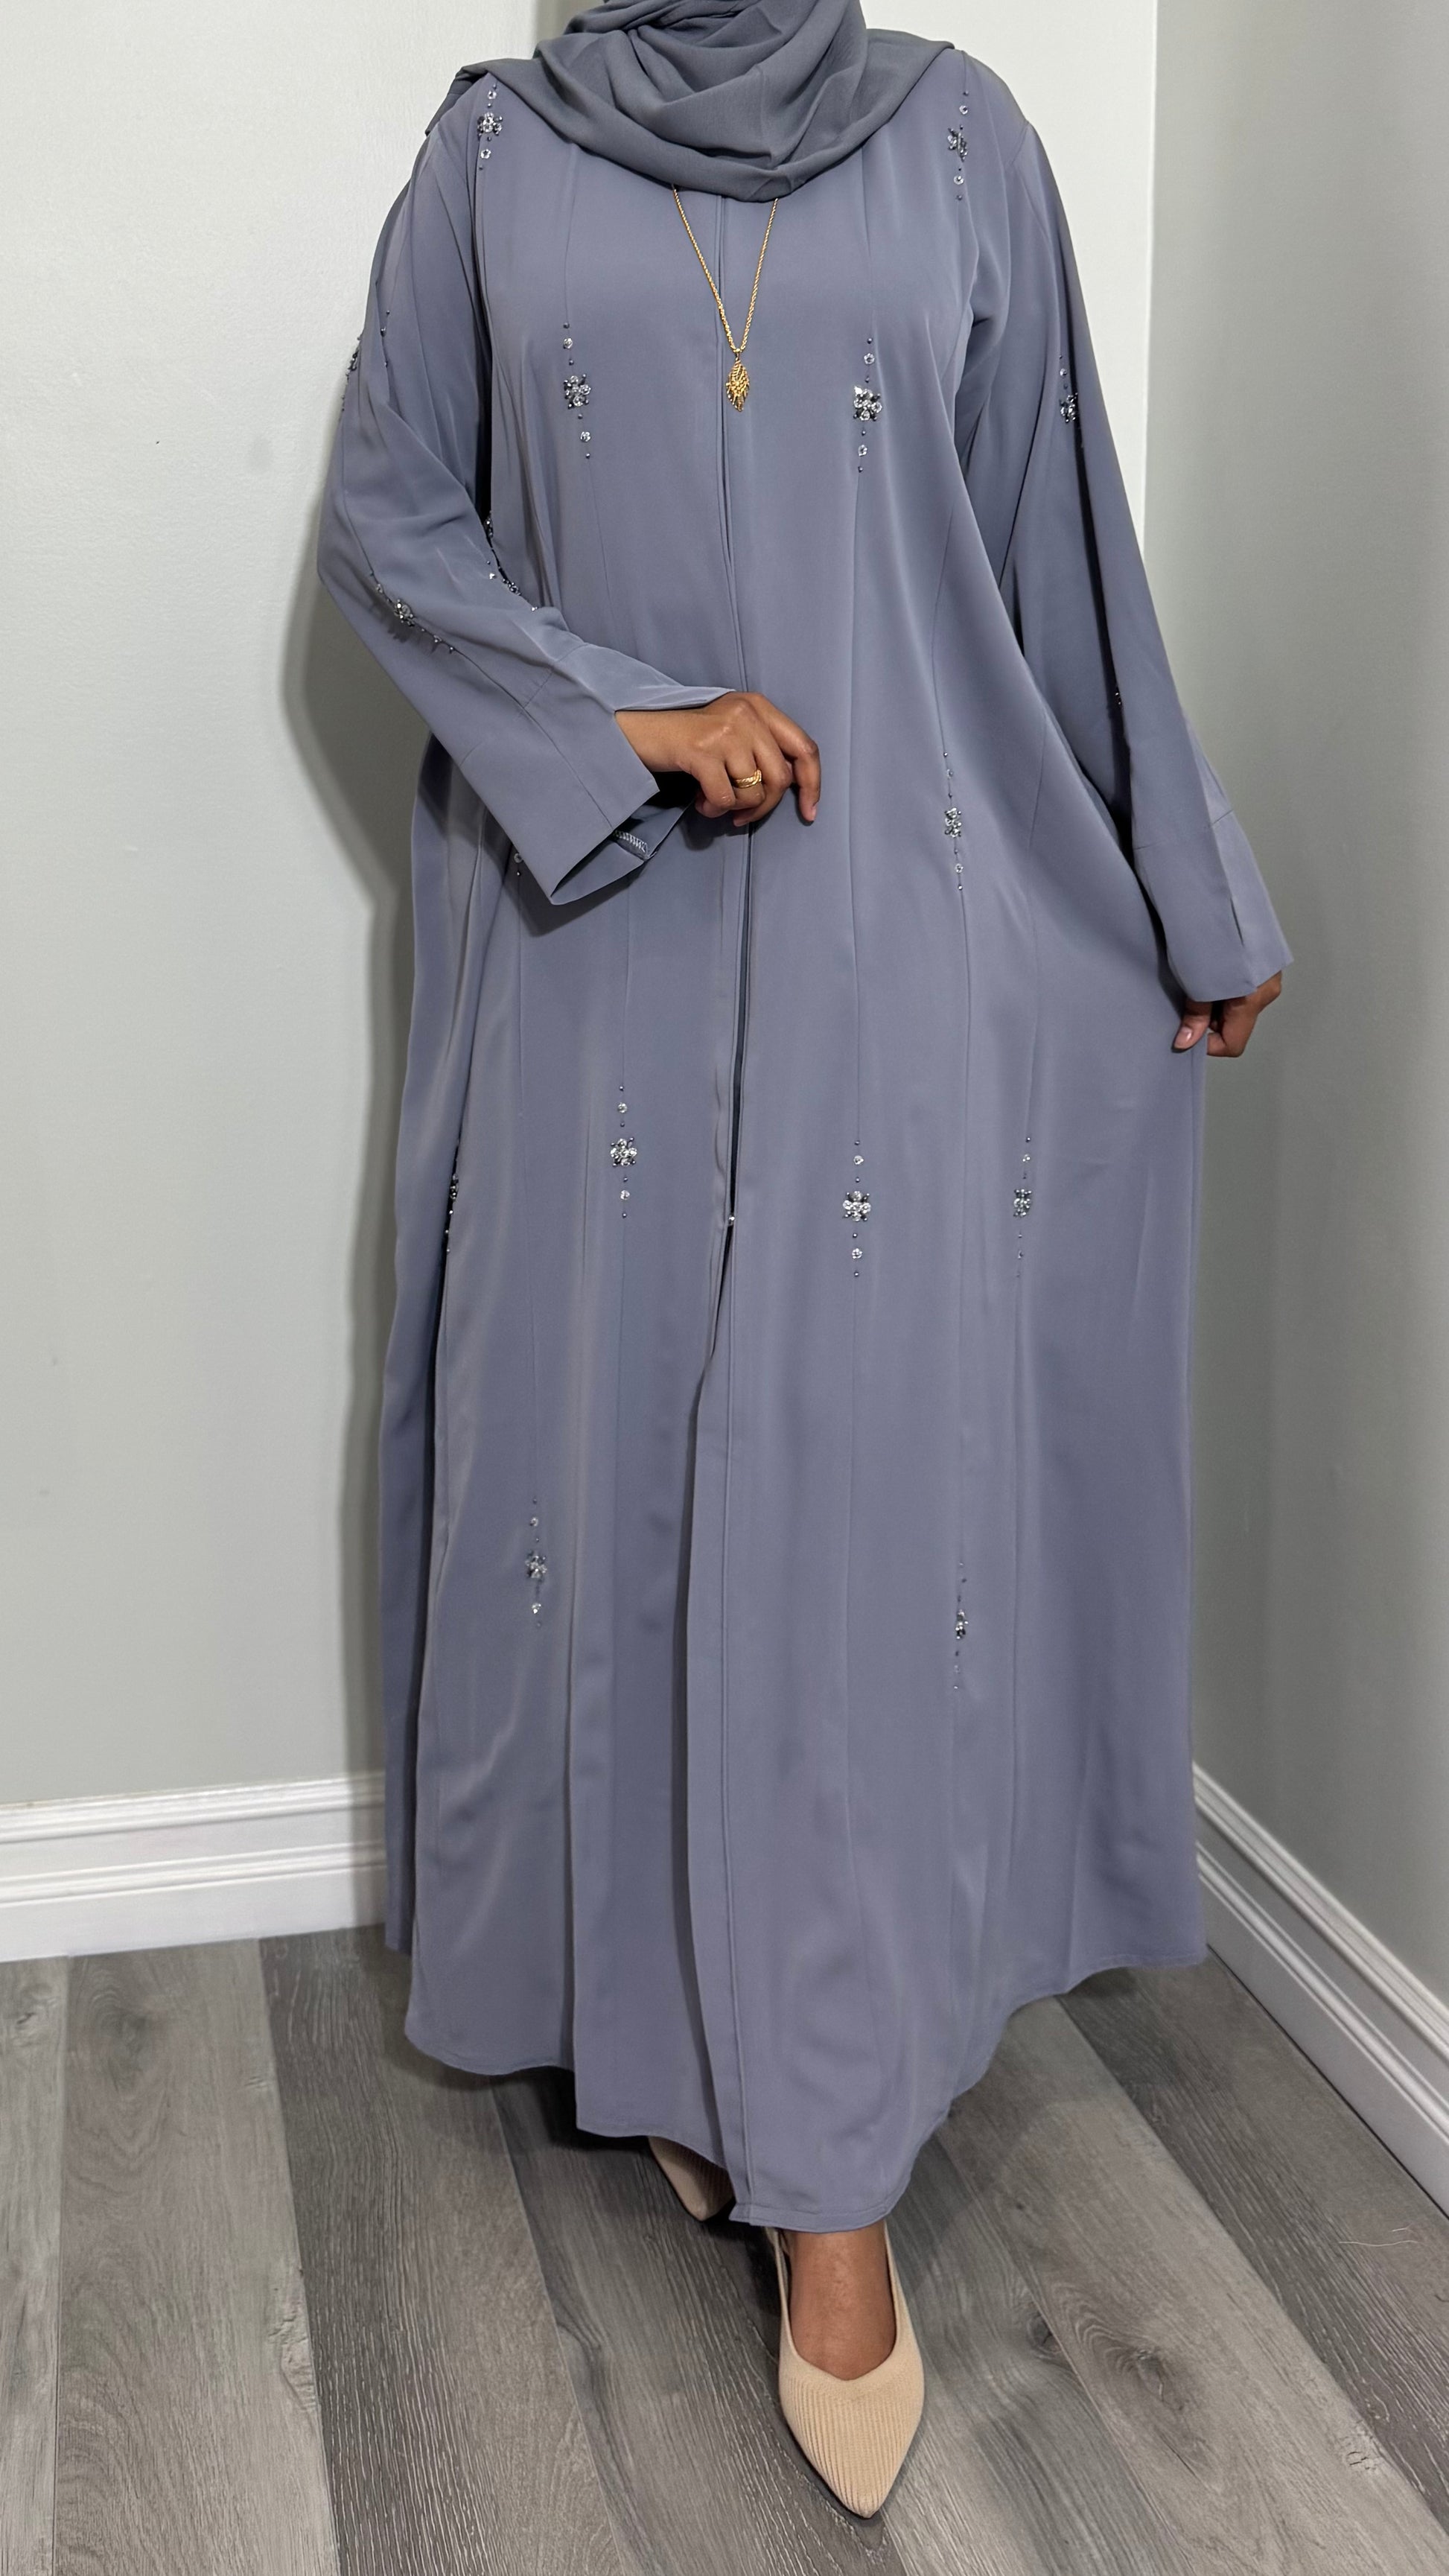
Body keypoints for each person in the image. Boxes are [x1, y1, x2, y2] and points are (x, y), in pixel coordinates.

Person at [318, 0, 1287, 2515]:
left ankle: (829, 2175)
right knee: (625, 1508)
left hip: (898, 934)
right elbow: (393, 518)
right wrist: (632, 717)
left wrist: (1181, 884)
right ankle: (683, 2036)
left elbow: (1059, 543)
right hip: (600, 941)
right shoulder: (492, 159)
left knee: (840, 1537)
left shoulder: (959, 142)